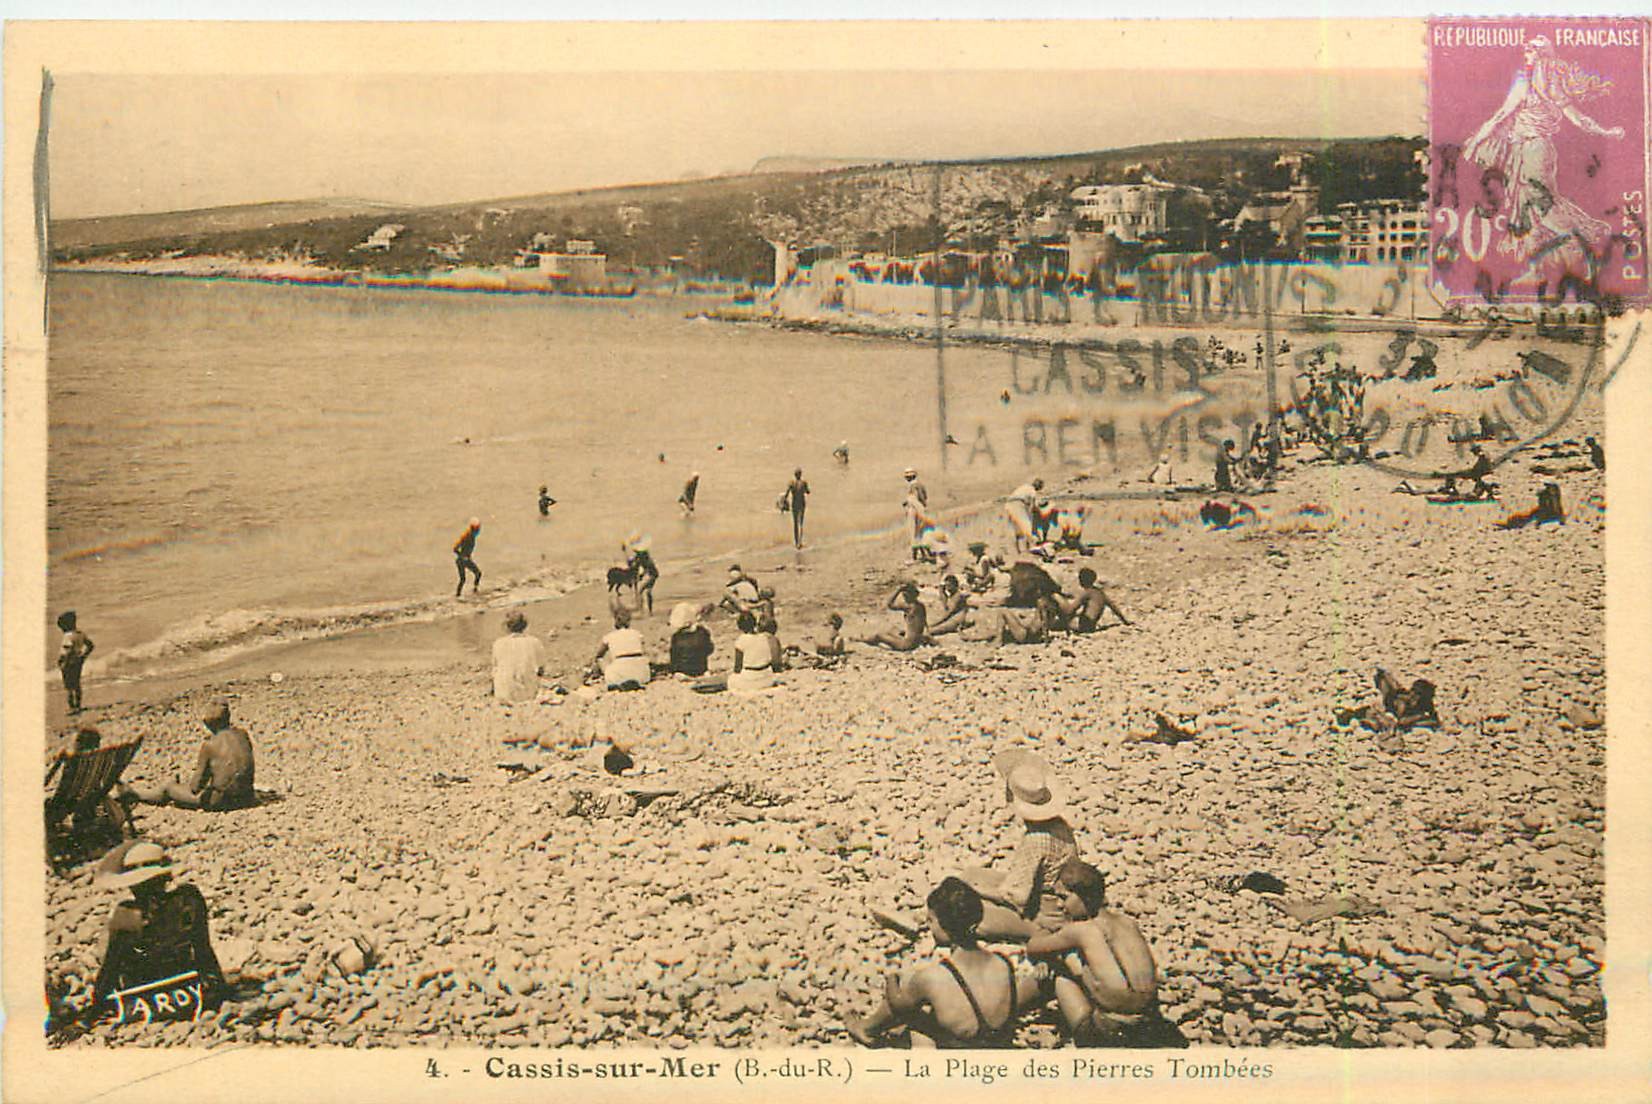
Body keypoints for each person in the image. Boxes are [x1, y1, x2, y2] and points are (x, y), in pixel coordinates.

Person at [1463, 36, 1624, 273]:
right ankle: (1558, 254)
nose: (1525, 53)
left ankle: (1577, 239)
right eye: (1525, 50)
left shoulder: (1530, 86)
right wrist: (1605, 131)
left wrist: (1474, 142)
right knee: (1538, 205)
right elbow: (1578, 119)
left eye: (1530, 50)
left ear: (1540, 56)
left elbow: (1499, 117)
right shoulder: (1549, 87)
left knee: (1539, 204)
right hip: (1530, 150)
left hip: (1534, 151)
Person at [843, 877, 1044, 1049]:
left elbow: (899, 1005)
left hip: (961, 1045)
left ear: (945, 927)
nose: (927, 925)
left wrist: (891, 975)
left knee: (909, 990)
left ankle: (867, 1028)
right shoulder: (1002, 962)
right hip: (995, 1040)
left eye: (931, 920)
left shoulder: (934, 977)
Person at [74, 841, 228, 1028]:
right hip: (186, 986)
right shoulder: (190, 898)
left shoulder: (127, 913)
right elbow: (203, 948)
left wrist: (95, 1007)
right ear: (164, 876)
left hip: (145, 994)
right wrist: (218, 989)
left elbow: (111, 966)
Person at [1026, 859, 1170, 1047]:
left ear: (1084, 897)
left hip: (1109, 1031)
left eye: (1064, 897)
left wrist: (1046, 941)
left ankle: (1003, 1016)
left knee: (1059, 973)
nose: (1060, 905)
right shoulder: (1127, 923)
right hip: (1152, 1024)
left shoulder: (1081, 931)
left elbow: (1033, 946)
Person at [962, 751, 1082, 941]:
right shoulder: (1060, 824)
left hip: (1046, 914)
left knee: (968, 911)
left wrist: (975, 890)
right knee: (971, 874)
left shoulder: (1035, 841)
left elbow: (1015, 896)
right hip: (1056, 898)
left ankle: (1037, 934)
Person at [119, 700, 255, 812]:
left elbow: (195, 788)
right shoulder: (243, 735)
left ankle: (134, 794)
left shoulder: (210, 745)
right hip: (247, 797)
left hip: (221, 802)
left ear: (210, 724)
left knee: (169, 788)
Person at [490, 611, 546, 703]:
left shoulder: (498, 643)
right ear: (524, 626)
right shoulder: (535, 642)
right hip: (528, 693)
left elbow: (495, 669)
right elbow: (541, 669)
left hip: (502, 693)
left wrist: (493, 689)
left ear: (507, 627)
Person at [1056, 568, 1131, 632]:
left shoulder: (1086, 593)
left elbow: (1072, 609)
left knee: (1056, 623)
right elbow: (1114, 607)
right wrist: (1125, 621)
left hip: (1084, 625)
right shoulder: (1100, 593)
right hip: (1092, 625)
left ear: (1081, 580)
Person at [593, 608, 650, 691]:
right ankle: (632, 680)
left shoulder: (609, 636)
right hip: (642, 674)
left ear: (616, 620)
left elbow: (599, 655)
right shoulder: (637, 634)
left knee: (600, 660)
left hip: (619, 671)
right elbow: (644, 652)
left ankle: (603, 678)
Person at [861, 582, 927, 652]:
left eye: (904, 595)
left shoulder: (909, 607)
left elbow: (890, 604)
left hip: (906, 645)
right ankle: (870, 640)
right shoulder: (920, 606)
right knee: (892, 630)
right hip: (916, 642)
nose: (904, 598)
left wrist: (898, 590)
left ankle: (864, 640)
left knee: (879, 636)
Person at [728, 611, 776, 693]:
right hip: (767, 678)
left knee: (731, 679)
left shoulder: (741, 640)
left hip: (751, 678)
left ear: (740, 626)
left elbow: (737, 668)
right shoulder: (764, 637)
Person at [57, 610, 95, 714]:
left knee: (69, 686)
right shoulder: (80, 634)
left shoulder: (68, 636)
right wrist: (83, 656)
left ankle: (72, 707)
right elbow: (90, 645)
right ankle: (78, 705)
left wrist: (63, 662)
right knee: (77, 684)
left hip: (69, 663)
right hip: (78, 661)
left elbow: (67, 650)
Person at [667, 603, 715, 677]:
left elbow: (674, 656)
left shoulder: (676, 637)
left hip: (682, 670)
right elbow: (710, 649)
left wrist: (673, 670)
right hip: (700, 669)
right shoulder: (702, 632)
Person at [624, 536, 660, 615]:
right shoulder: (642, 557)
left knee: (643, 591)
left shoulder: (644, 558)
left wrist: (642, 575)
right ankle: (647, 610)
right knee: (646, 592)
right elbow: (632, 563)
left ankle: (643, 610)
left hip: (652, 575)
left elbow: (636, 565)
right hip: (652, 574)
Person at [1005, 478, 1042, 550]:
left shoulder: (1024, 487)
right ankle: (1029, 548)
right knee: (1026, 526)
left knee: (1016, 528)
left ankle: (1017, 550)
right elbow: (1033, 506)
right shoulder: (1032, 490)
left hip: (1009, 505)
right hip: (1018, 504)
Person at [902, 468, 929, 560]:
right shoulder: (916, 485)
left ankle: (916, 556)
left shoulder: (915, 485)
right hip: (918, 509)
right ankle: (922, 554)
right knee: (919, 532)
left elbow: (921, 497)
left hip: (915, 510)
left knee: (914, 532)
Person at [453, 518, 483, 598]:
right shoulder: (467, 536)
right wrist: (463, 556)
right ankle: (474, 590)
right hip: (462, 560)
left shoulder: (471, 536)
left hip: (463, 560)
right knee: (477, 573)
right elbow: (455, 548)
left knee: (463, 579)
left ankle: (458, 594)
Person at [784, 468, 811, 548]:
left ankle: (796, 542)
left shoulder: (792, 483)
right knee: (801, 523)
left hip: (794, 504)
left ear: (795, 475)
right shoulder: (804, 483)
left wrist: (784, 502)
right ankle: (800, 541)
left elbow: (787, 493)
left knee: (795, 523)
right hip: (802, 504)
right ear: (800, 474)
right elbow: (808, 492)